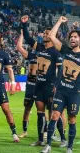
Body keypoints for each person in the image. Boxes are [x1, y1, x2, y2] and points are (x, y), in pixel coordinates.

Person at [21, 15, 67, 147]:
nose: (44, 34)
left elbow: (61, 71)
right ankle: (41, 139)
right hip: (38, 86)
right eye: (45, 33)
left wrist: (56, 86)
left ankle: (63, 139)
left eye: (47, 33)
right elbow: (28, 39)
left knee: (54, 114)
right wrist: (24, 24)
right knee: (40, 113)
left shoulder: (56, 53)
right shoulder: (40, 47)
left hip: (50, 87)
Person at [42, 16, 79, 153]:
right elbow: (52, 36)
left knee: (71, 118)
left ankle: (69, 147)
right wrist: (59, 21)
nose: (72, 39)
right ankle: (49, 145)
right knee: (54, 116)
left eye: (75, 37)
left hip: (74, 93)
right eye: (71, 37)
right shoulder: (65, 50)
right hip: (61, 91)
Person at [16, 30, 37, 137]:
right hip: (30, 84)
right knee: (27, 108)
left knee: (42, 109)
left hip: (40, 85)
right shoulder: (32, 56)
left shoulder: (47, 55)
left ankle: (46, 132)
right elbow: (19, 47)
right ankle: (24, 131)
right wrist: (22, 34)